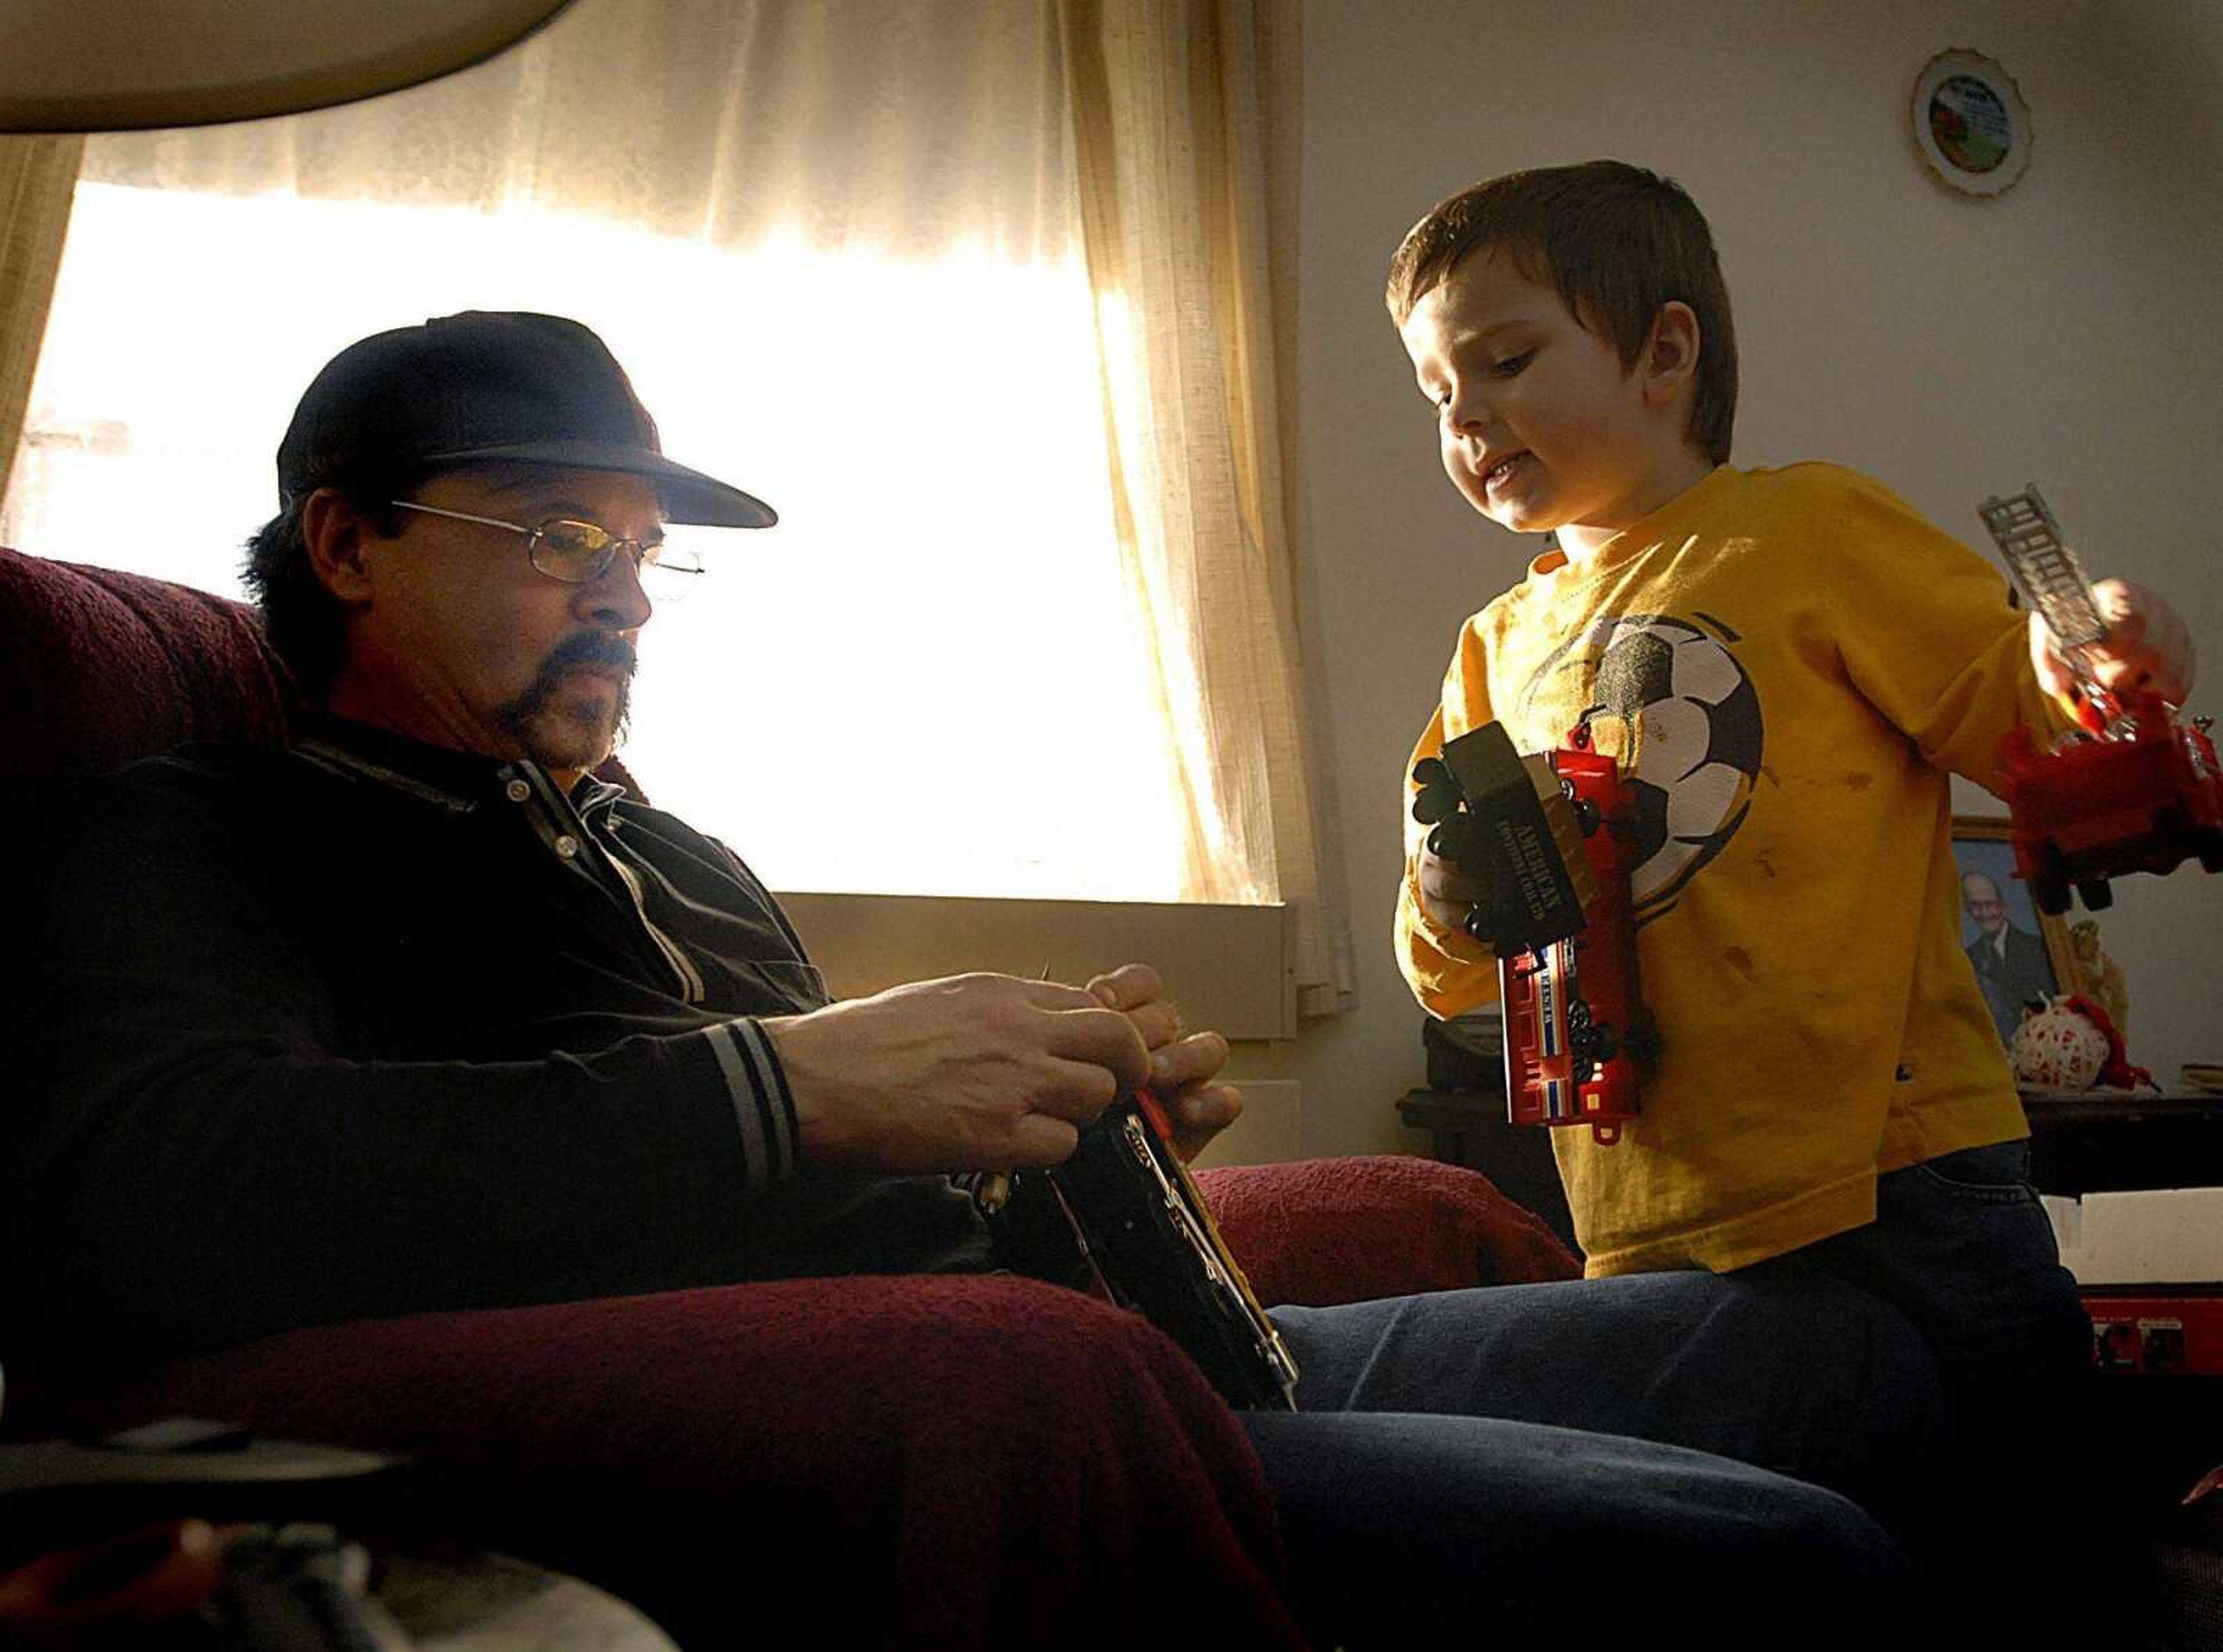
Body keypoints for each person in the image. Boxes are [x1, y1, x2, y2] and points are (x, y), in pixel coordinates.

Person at [7, 310, 1919, 1649]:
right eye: (558, 533)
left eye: (647, 554)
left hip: (1147, 1331)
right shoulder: (207, 827)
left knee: (1825, 1348)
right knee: (1797, 1558)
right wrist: (801, 1086)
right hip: (1032, 1401)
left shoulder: (669, 851)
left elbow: (853, 1166)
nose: (623, 592)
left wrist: (1085, 1114)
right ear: (346, 541)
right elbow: (153, 1184)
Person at [1386, 160, 2195, 1620]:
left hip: (1896, 1164)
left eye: (1504, 361)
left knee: (2033, 1520)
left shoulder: (1806, 529)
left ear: (1662, 354)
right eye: (1437, 391)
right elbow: (1442, 958)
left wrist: (2100, 654)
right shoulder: (1487, 650)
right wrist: (1449, 887)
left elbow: (2008, 694)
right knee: (1767, 1561)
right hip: (1650, 1204)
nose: (1465, 416)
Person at [1961, 869, 2055, 1041]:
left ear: (2002, 906)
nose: (1984, 913)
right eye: (1976, 906)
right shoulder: (1967, 960)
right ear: (1967, 910)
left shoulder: (2038, 948)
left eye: (1989, 904)